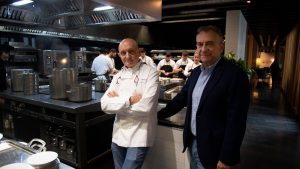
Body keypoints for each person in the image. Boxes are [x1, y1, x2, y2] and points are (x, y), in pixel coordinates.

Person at [158, 25, 250, 169]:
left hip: (215, 149)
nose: (203, 48)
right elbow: (181, 99)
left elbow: (236, 121)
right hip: (192, 142)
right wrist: (158, 115)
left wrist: (227, 157)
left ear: (221, 46)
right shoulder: (195, 73)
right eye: (200, 44)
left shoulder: (235, 75)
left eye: (209, 44)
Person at [101, 38, 160, 169]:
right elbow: (104, 105)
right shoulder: (118, 76)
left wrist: (117, 102)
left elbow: (145, 108)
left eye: (131, 51)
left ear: (139, 52)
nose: (127, 56)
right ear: (119, 54)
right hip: (118, 135)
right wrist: (129, 100)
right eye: (123, 53)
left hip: (140, 135)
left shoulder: (151, 73)